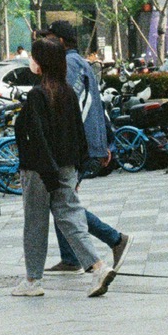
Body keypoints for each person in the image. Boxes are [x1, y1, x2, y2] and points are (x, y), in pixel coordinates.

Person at [14, 34, 111, 297]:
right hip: (67, 167)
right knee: (71, 218)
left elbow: (37, 137)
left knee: (35, 223)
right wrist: (78, 168)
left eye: (34, 57)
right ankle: (98, 266)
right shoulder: (67, 92)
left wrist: (47, 172)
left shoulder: (37, 95)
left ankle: (33, 281)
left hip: (39, 170)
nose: (31, 61)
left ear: (41, 62)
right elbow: (78, 132)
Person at [51, 20, 130, 276]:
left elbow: (70, 107)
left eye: (49, 38)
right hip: (86, 143)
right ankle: (70, 257)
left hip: (77, 146)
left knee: (64, 204)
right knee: (62, 199)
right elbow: (97, 104)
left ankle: (115, 239)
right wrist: (106, 141)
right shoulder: (81, 63)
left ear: (60, 40)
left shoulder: (69, 65)